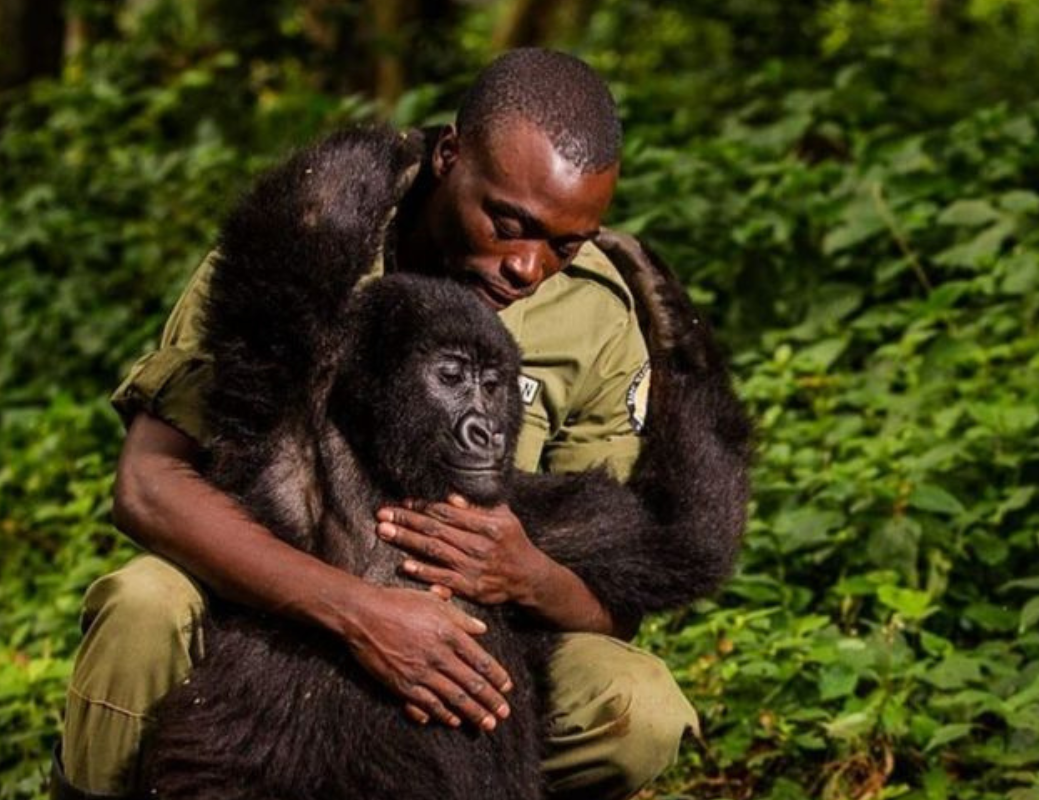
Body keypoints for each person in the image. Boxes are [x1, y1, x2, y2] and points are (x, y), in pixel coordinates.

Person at [53, 48, 701, 800]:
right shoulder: (316, 241)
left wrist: (532, 575)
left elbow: (613, 600)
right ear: (449, 156)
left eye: (564, 244)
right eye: (507, 222)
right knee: (143, 606)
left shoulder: (593, 313)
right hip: (264, 603)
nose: (526, 268)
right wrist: (357, 612)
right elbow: (148, 485)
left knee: (639, 708)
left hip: (471, 651)